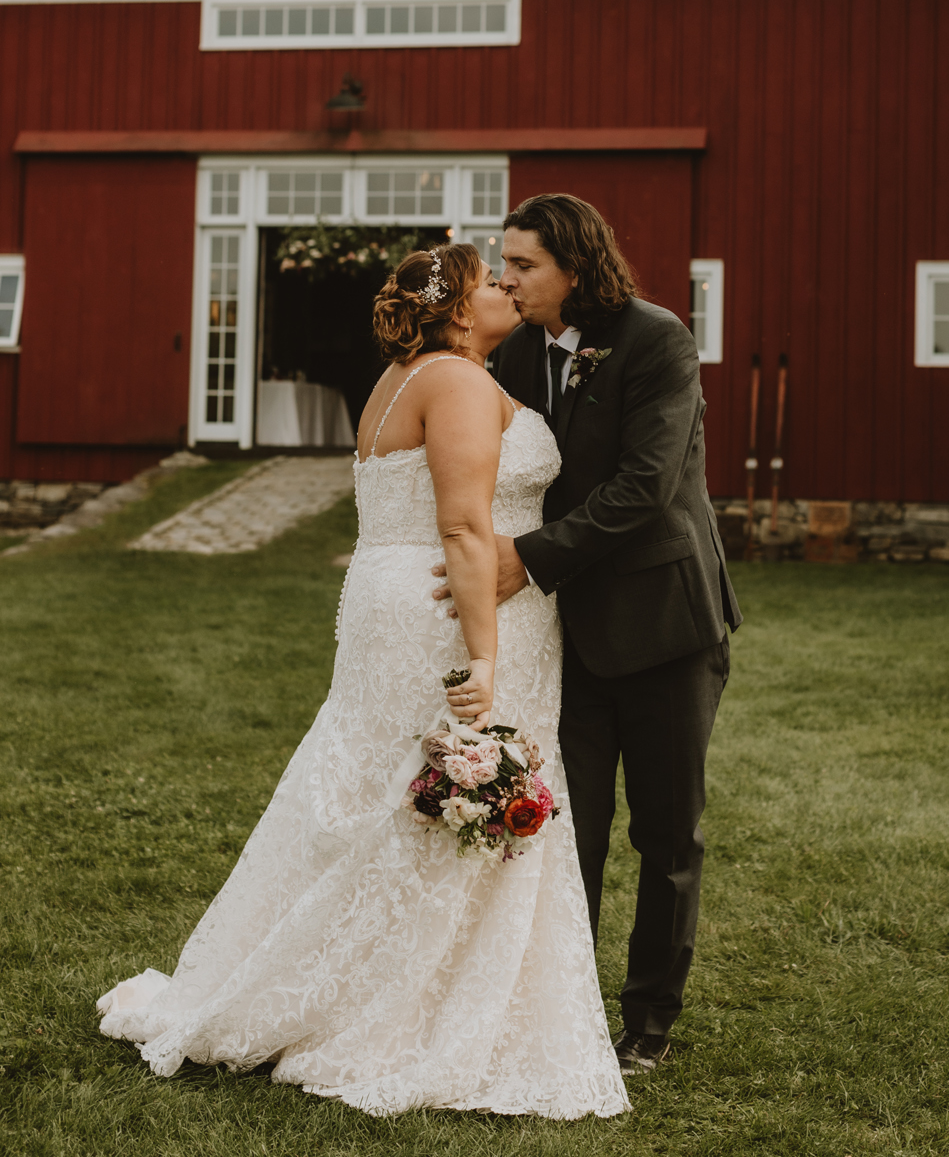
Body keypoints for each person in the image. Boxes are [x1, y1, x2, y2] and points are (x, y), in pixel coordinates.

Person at [97, 244, 628, 1121]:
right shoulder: (456, 383)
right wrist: (485, 658)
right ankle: (401, 1010)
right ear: (459, 312)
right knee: (436, 780)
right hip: (448, 605)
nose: (507, 289)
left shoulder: (401, 377)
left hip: (389, 594)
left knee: (372, 778)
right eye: (492, 282)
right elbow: (463, 527)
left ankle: (349, 977)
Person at [435, 194, 740, 1077]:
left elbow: (646, 486)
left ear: (574, 265)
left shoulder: (657, 340)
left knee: (667, 834)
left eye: (523, 264)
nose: (507, 279)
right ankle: (558, 1011)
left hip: (666, 627)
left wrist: (521, 560)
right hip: (568, 636)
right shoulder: (525, 350)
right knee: (571, 834)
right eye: (504, 263)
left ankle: (648, 1023)